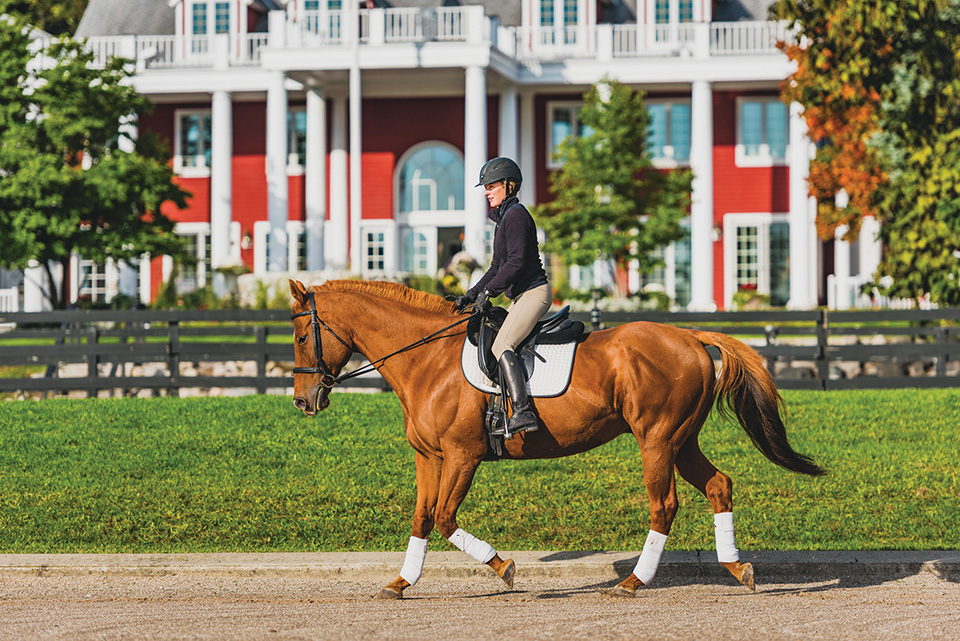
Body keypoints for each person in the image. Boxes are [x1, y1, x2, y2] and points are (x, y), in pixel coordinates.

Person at [454, 157, 551, 434]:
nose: (486, 191)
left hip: (534, 294)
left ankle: (523, 412)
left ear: (509, 186)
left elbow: (516, 262)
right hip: (522, 296)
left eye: (492, 186)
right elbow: (497, 267)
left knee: (501, 345)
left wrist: (489, 293)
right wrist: (471, 295)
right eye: (485, 187)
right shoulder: (504, 219)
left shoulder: (517, 216)